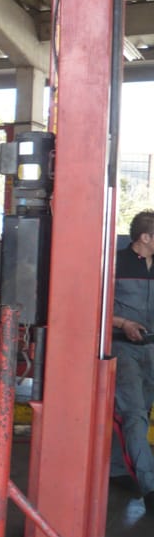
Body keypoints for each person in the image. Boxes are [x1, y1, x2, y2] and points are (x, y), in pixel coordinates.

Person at [109, 210, 154, 512]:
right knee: (135, 414)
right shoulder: (116, 264)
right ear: (145, 238)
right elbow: (94, 308)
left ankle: (117, 470)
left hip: (151, 350)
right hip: (123, 348)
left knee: (142, 412)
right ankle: (151, 489)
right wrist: (123, 322)